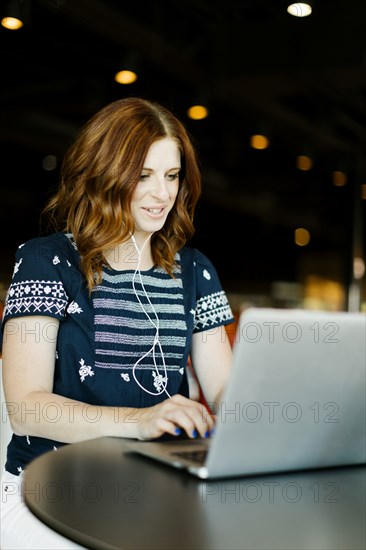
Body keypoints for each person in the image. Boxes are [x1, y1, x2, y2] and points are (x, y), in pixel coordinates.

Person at [0, 97, 234, 548]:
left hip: (159, 487)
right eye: (143, 176)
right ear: (103, 174)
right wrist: (141, 420)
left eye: (171, 176)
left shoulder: (195, 270)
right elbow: (26, 407)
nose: (162, 194)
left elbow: (225, 388)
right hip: (48, 490)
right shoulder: (47, 261)